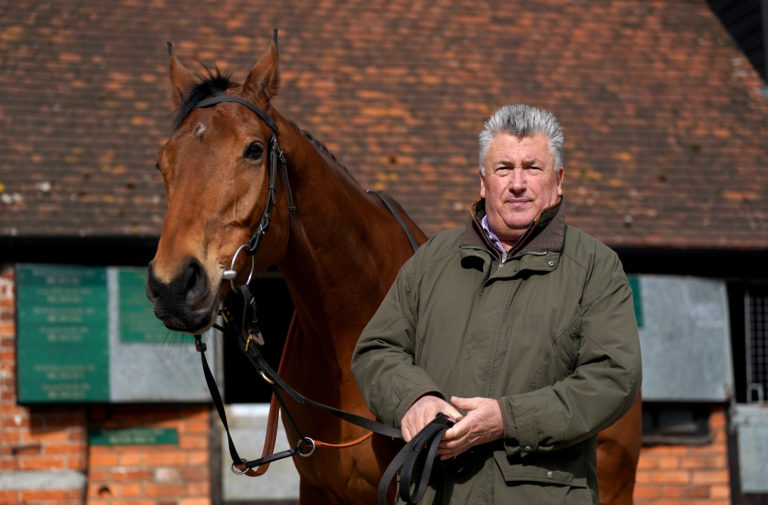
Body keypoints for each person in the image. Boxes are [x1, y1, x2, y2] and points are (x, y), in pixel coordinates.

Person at [351, 104, 642, 504]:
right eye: (503, 168)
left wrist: (508, 420)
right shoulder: (433, 259)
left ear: (558, 181)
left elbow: (613, 379)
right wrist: (414, 399)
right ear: (484, 182)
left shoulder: (595, 267)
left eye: (533, 168)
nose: (517, 183)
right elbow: (376, 350)